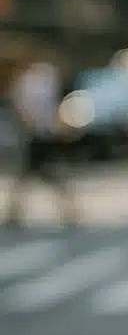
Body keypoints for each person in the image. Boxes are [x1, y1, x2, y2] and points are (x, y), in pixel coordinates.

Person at [2, 49, 78, 228]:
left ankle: (14, 214)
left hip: (40, 134)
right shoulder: (29, 81)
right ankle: (14, 214)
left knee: (39, 176)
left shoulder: (30, 81)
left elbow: (26, 110)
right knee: (35, 176)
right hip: (40, 134)